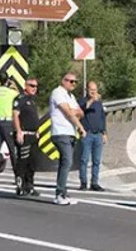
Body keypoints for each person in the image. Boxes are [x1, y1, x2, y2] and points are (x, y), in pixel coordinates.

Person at [49, 72, 86, 205]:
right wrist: (80, 126)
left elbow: (80, 112)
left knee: (65, 163)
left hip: (70, 132)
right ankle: (60, 193)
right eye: (70, 81)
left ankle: (63, 192)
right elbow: (68, 112)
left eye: (75, 82)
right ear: (63, 81)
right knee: (67, 161)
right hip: (60, 132)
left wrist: (73, 112)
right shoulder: (57, 93)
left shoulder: (71, 96)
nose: (73, 84)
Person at [13, 77, 40, 196]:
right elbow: (15, 115)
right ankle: (20, 185)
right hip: (24, 134)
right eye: (32, 86)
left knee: (32, 162)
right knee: (22, 161)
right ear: (26, 86)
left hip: (33, 135)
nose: (34, 88)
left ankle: (30, 185)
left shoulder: (33, 100)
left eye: (36, 86)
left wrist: (37, 130)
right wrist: (18, 131)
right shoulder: (21, 99)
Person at [79, 81, 107, 191]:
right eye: (91, 89)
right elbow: (82, 111)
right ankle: (83, 183)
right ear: (87, 90)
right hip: (87, 134)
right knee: (84, 160)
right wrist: (91, 100)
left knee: (97, 161)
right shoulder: (82, 101)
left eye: (95, 90)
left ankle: (94, 183)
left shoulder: (99, 103)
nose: (93, 92)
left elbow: (102, 118)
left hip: (98, 135)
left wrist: (104, 133)